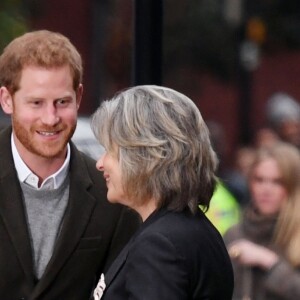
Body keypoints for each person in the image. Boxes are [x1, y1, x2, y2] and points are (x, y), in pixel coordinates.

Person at [0, 30, 140, 299]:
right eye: (36, 103)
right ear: (7, 100)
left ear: (78, 97)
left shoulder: (112, 194)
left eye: (62, 102)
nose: (50, 118)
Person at [91, 85, 234, 300]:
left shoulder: (159, 244)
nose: (100, 163)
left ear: (144, 156)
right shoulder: (194, 229)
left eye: (110, 150)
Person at [224, 142, 300, 300]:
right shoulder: (234, 234)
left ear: (293, 186)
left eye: (277, 182)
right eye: (259, 180)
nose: (266, 189)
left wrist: (271, 263)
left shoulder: (296, 236)